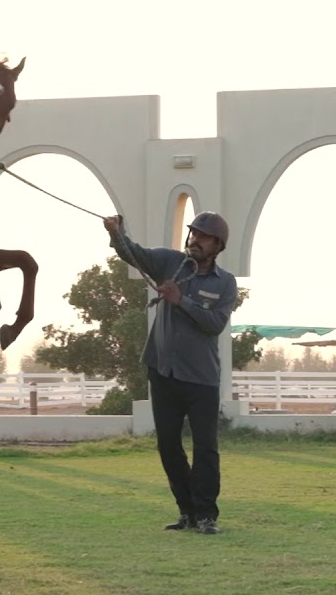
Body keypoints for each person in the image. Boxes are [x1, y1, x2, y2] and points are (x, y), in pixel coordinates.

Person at [103, 211, 238, 535]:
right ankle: (186, 511)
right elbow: (133, 253)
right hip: (162, 371)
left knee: (205, 447)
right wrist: (117, 233)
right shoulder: (168, 262)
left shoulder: (225, 283)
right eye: (193, 233)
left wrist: (182, 301)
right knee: (168, 445)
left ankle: (207, 515)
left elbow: (215, 324)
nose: (195, 239)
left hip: (202, 378)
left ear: (217, 245)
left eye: (203, 236)